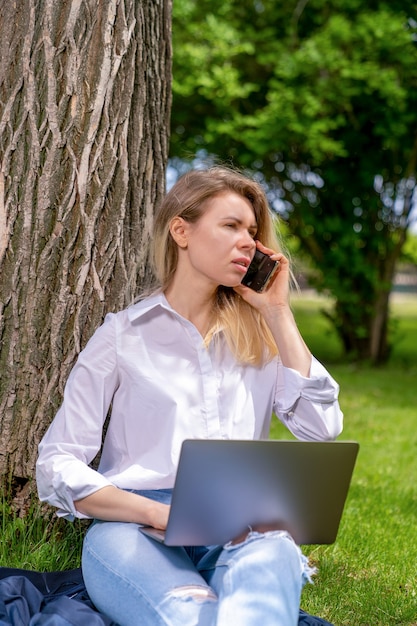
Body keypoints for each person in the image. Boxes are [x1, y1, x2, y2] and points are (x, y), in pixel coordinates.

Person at [36, 166, 343, 626]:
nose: (249, 242)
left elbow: (322, 429)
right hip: (133, 527)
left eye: (253, 232)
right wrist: (158, 512)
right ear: (181, 230)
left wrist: (278, 312)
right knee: (188, 615)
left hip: (244, 527)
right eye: (231, 226)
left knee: (261, 590)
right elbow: (56, 462)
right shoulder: (122, 335)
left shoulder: (262, 336)